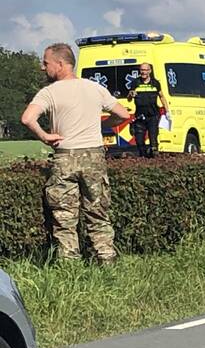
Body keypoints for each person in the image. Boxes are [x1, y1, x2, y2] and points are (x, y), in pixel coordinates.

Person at [19, 43, 131, 264]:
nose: (43, 68)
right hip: (94, 156)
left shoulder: (49, 92)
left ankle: (69, 262)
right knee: (98, 211)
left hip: (65, 156)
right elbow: (123, 114)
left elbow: (26, 118)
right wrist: (105, 125)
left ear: (60, 64)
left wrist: (44, 136)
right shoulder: (94, 88)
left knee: (64, 215)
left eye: (46, 63)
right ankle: (106, 258)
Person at [127, 62, 170, 158]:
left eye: (146, 70)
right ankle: (143, 160)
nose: (143, 72)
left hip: (153, 116)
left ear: (150, 71)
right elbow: (129, 98)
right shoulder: (135, 83)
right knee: (139, 142)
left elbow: (162, 97)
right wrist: (130, 94)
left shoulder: (155, 83)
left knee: (153, 141)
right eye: (142, 70)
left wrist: (167, 111)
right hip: (139, 117)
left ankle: (154, 161)